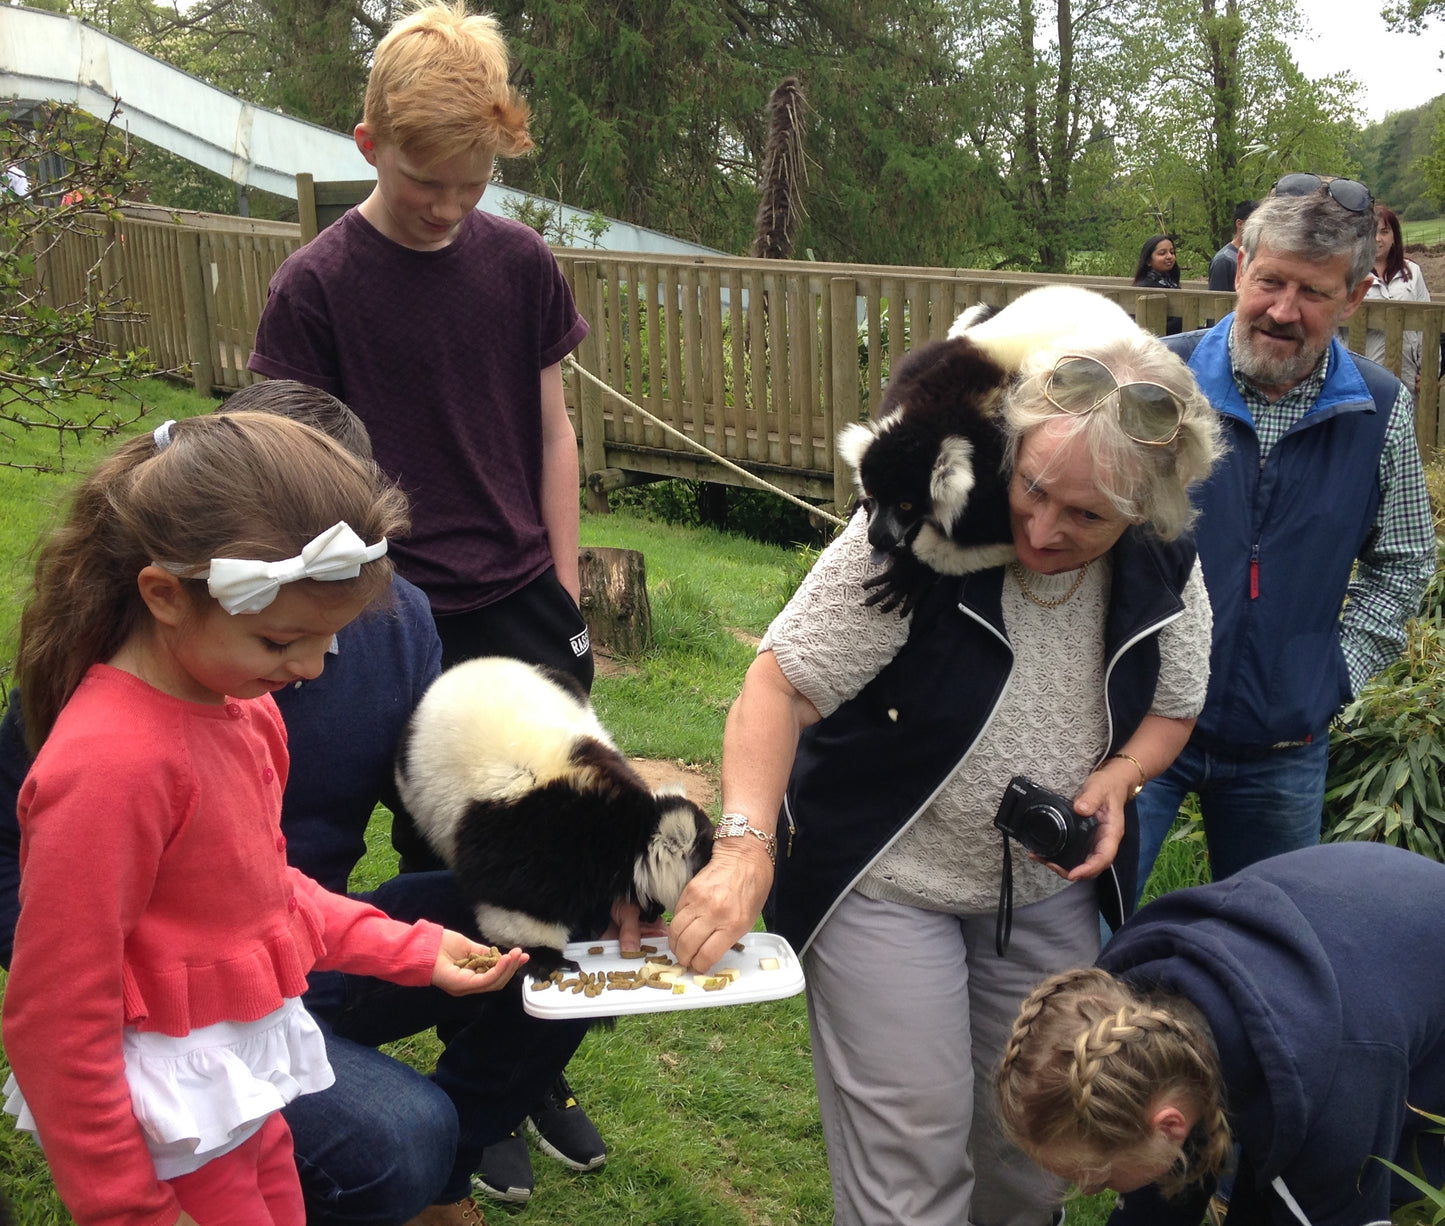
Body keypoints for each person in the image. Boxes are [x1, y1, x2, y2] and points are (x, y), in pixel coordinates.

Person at [669, 312, 1223, 1225]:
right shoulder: (921, 528)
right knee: (912, 1163)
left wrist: (1121, 774)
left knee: (1030, 1157)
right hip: (886, 880)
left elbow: (1174, 707)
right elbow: (777, 689)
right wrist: (744, 846)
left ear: (1144, 513)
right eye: (1033, 489)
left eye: (1085, 515)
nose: (1042, 529)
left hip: (1044, 892)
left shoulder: (1168, 558)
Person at [0, 383, 599, 1226]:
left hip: (251, 1059)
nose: (315, 668)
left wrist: (411, 949)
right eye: (283, 641)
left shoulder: (240, 710)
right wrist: (128, 1207)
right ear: (164, 594)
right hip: (180, 1103)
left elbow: (265, 891)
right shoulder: (109, 764)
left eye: (330, 639)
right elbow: (57, 1014)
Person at [247, 1, 604, 1200]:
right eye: (424, 179)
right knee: (430, 845)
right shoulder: (315, 287)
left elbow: (553, 428)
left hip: (515, 595)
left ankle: (517, 1071)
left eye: (473, 181)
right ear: (366, 144)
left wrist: (561, 586)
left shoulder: (519, 265)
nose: (450, 204)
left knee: (548, 847)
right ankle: (458, 1075)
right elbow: (289, 476)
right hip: (383, 611)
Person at [1132, 175, 1438, 906]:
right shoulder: (1155, 383)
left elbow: (1402, 564)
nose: (1280, 310)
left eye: (1312, 293)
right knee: (1080, 930)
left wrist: (1330, 678)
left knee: (1264, 953)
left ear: (1355, 297)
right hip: (1133, 732)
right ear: (1241, 266)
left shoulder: (1377, 410)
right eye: (1268, 281)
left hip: (1281, 749)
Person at [997, 841, 1445, 1226]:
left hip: (1403, 982)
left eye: (1094, 1177)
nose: (1088, 1192)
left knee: (1360, 1181)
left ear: (1169, 1123)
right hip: (1357, 916)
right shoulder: (1133, 1020)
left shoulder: (1333, 1102)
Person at [1358, 203, 1432, 391]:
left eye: (1384, 232)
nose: (1377, 239)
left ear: (1394, 237)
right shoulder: (1352, 274)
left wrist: (1430, 370)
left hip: (1406, 373)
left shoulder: (1412, 272)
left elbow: (1428, 326)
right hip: (1363, 374)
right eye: (1371, 233)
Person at [1206, 201, 1257, 293]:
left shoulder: (1256, 255)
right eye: (1255, 223)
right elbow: (1215, 300)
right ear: (1239, 224)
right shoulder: (1223, 261)